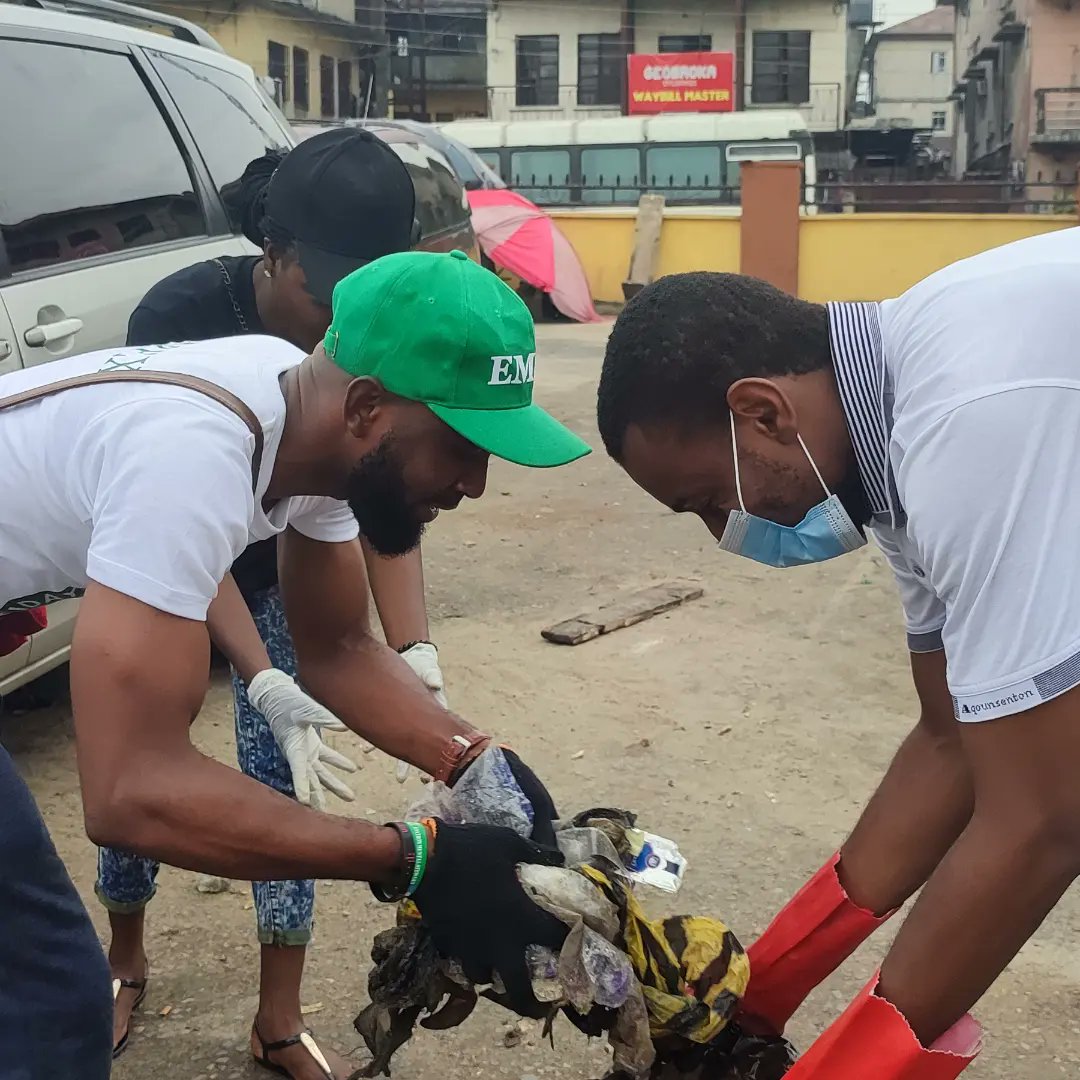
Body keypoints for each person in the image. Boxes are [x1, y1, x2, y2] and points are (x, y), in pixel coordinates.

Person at [0, 249, 590, 1080]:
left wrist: (473, 762)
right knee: (48, 994)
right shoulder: (191, 458)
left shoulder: (304, 410)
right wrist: (412, 856)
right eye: (461, 445)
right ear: (365, 408)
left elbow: (340, 649)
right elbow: (131, 793)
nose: (475, 483)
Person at [596, 227, 1080, 1078]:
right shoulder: (886, 438)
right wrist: (752, 1002)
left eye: (712, 500)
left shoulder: (962, 423)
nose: (725, 535)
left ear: (763, 412)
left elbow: (1043, 820)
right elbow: (951, 741)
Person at [102, 128, 445, 1078]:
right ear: (276, 255)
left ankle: (278, 1019)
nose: (345, 323)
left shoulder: (366, 339)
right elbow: (176, 526)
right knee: (142, 772)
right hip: (164, 568)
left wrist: (414, 659)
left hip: (280, 566)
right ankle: (123, 964)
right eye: (328, 297)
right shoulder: (178, 314)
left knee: (286, 789)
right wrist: (259, 677)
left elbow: (380, 499)